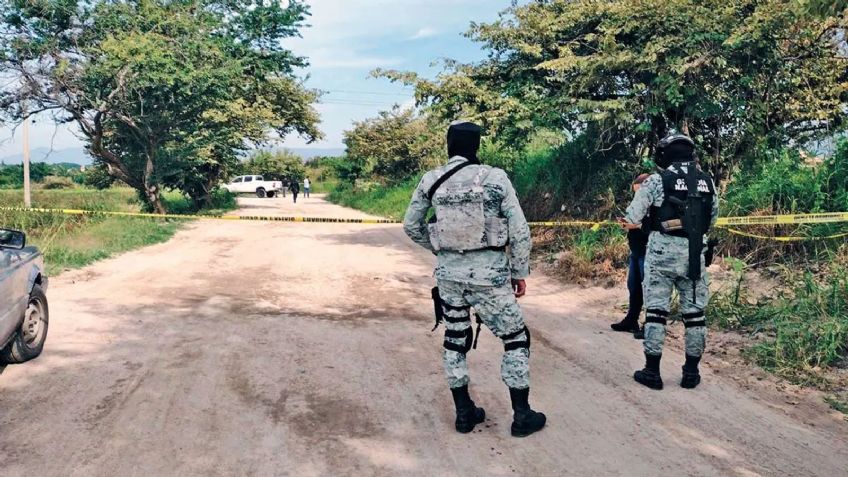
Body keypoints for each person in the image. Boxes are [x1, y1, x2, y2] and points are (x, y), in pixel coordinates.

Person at [403, 121, 546, 437]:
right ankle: (522, 415)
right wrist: (519, 272)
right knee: (515, 338)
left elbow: (411, 225)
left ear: (449, 145)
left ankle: (464, 413)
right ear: (476, 146)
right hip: (491, 277)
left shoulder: (432, 180)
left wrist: (441, 250)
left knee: (455, 338)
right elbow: (520, 230)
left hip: (450, 278)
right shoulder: (495, 177)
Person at [622, 132, 719, 390]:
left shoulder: (657, 180)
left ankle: (652, 371)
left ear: (664, 155)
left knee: (656, 311)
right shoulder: (707, 181)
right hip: (695, 252)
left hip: (662, 252)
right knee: (695, 315)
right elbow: (712, 218)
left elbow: (633, 214)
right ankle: (691, 373)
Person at [611, 173, 651, 338]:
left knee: (649, 289)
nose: (638, 196)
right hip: (636, 251)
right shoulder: (638, 204)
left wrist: (633, 225)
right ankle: (631, 319)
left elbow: (651, 225)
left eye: (639, 191)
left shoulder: (656, 204)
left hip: (648, 251)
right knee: (633, 287)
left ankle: (650, 325)